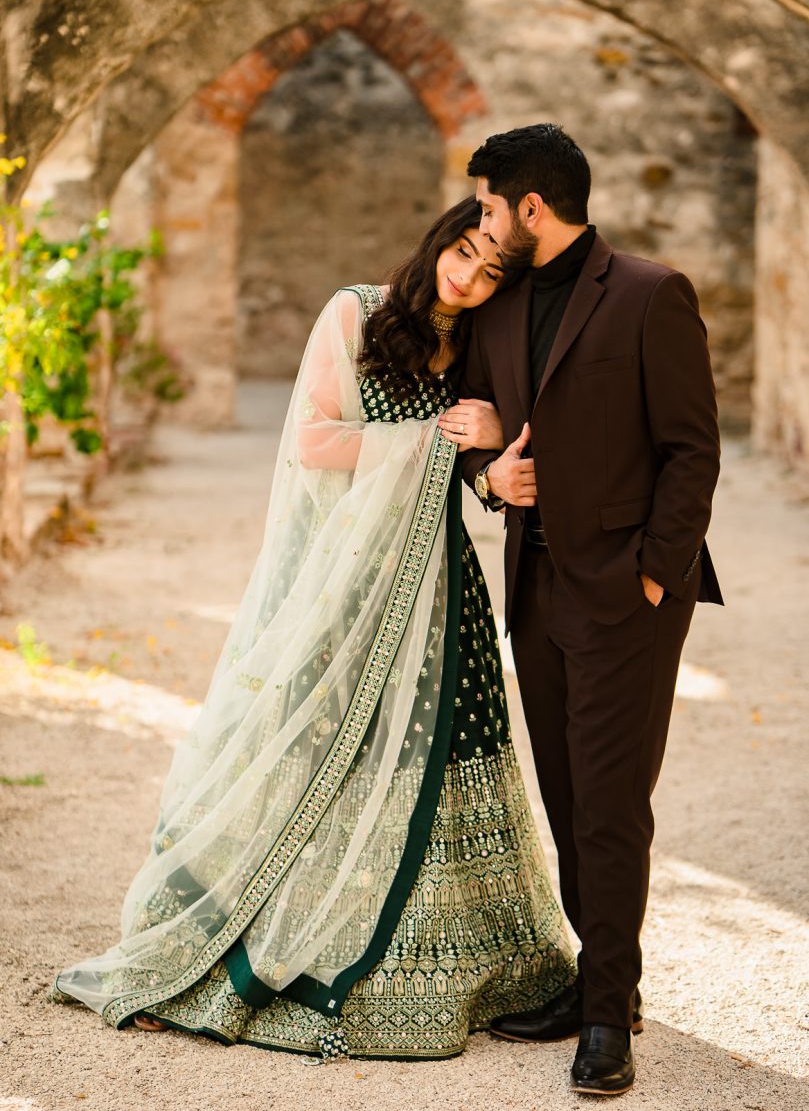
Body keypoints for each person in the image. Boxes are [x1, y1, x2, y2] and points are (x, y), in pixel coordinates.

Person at [48, 196, 576, 1063]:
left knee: (438, 756)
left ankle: (456, 963)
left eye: (491, 274)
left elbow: (480, 463)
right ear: (441, 236)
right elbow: (314, 441)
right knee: (318, 747)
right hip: (342, 579)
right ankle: (250, 941)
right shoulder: (357, 310)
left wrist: (488, 466)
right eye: (465, 254)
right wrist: (441, 441)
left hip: (438, 581)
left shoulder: (482, 344)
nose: (469, 279)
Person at [438, 126, 723, 1095]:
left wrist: (654, 570)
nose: (477, 224)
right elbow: (475, 422)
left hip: (626, 592)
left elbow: (691, 448)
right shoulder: (502, 301)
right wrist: (486, 473)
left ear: (530, 205)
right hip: (535, 584)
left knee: (607, 806)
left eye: (485, 206)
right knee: (565, 794)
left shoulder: (649, 293)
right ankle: (590, 981)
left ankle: (607, 1014)